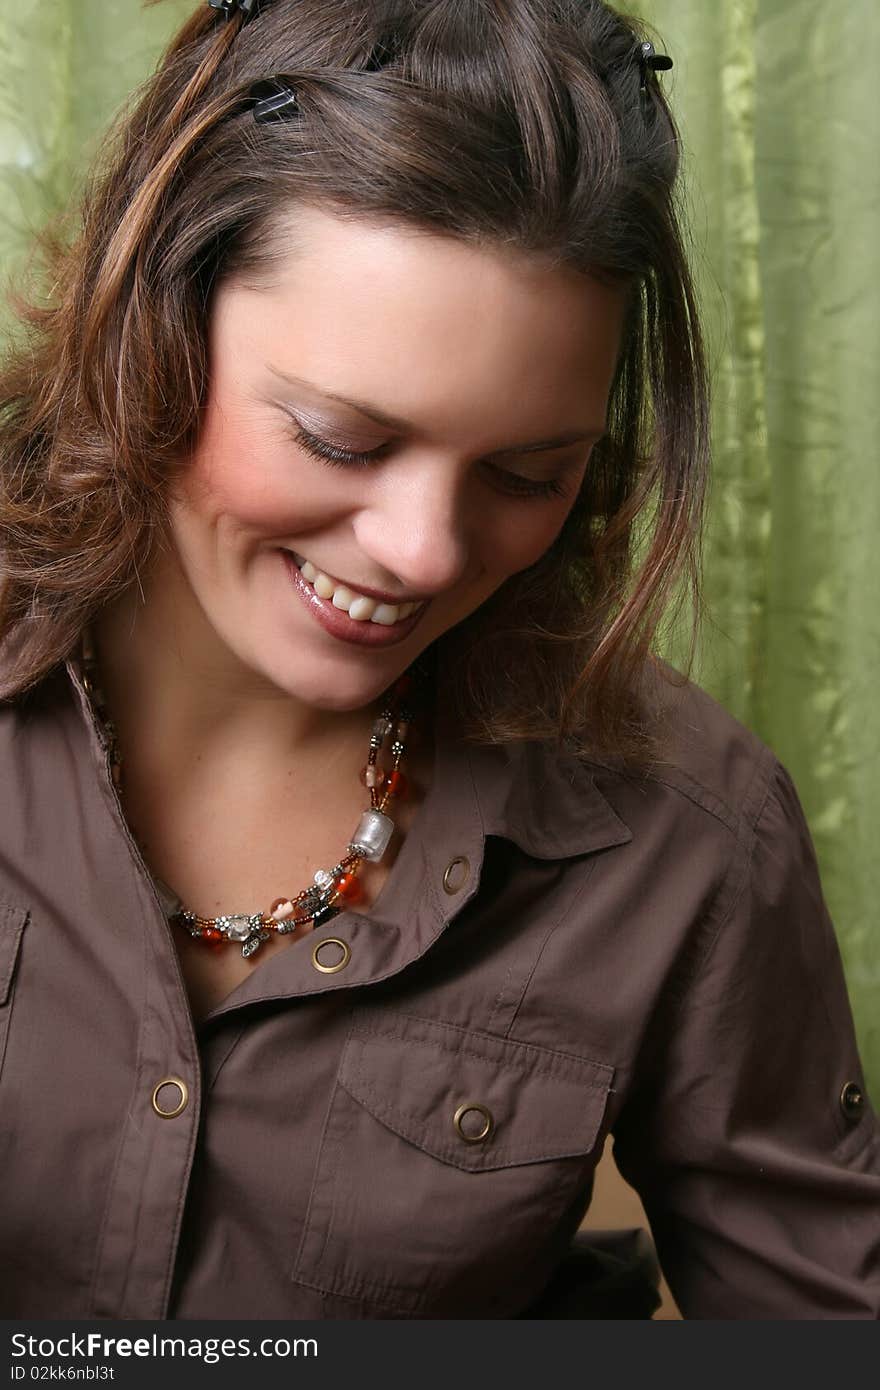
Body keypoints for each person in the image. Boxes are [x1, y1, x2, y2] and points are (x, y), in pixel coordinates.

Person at [0, 0, 877, 1321]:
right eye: (341, 442)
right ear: (158, 328)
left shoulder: (689, 834)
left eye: (527, 474)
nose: (420, 550)